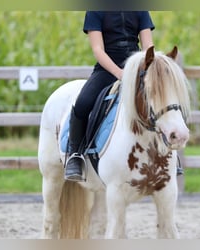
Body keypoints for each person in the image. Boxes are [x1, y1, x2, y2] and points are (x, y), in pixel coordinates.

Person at [64, 11, 155, 181]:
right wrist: (119, 73)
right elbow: (98, 49)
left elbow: (148, 46)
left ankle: (167, 153)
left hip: (137, 66)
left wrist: (147, 69)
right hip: (107, 68)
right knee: (83, 103)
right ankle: (75, 155)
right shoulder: (95, 10)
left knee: (158, 100)